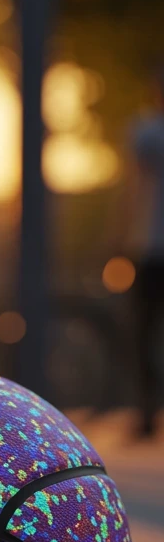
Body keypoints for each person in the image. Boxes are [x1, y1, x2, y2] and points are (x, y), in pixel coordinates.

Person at [120, 65, 164, 437]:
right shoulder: (145, 131)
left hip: (149, 247)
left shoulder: (146, 132)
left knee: (145, 334)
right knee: (143, 335)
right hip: (149, 248)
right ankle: (147, 412)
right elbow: (131, 188)